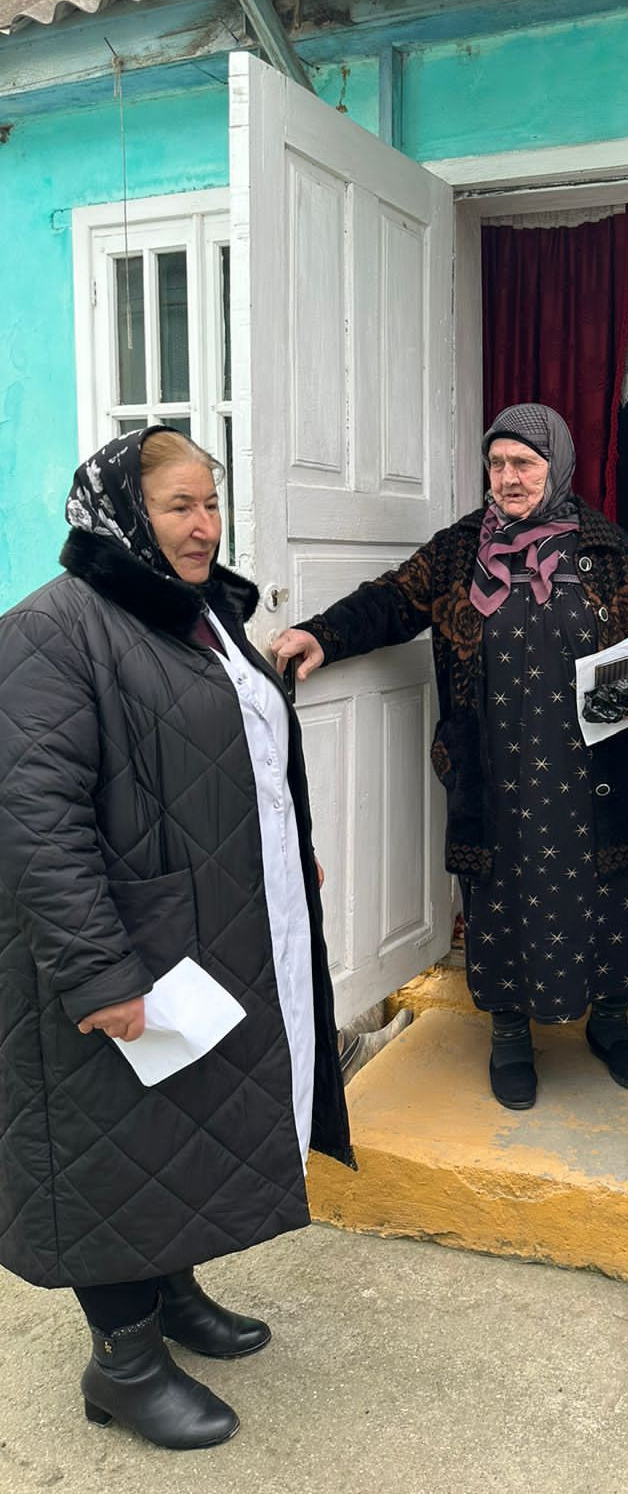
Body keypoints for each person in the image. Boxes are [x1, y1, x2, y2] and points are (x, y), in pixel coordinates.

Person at [0, 428, 352, 1450]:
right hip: (117, 944)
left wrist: (289, 853)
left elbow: (248, 751)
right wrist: (98, 973)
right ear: (123, 515)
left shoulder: (198, 616)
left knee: (176, 1128)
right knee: (112, 1143)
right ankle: (122, 1362)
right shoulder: (54, 630)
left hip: (202, 927)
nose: (204, 527)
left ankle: (172, 1288)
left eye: (211, 504)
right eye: (177, 507)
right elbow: (35, 820)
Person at [271, 404, 628, 1111]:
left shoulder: (607, 550)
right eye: (497, 463)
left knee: (610, 891)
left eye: (525, 463)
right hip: (499, 772)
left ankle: (610, 1023)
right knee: (502, 893)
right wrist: (320, 636)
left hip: (596, 770)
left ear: (557, 466)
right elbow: (389, 602)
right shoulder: (460, 552)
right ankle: (510, 1036)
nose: (509, 477)